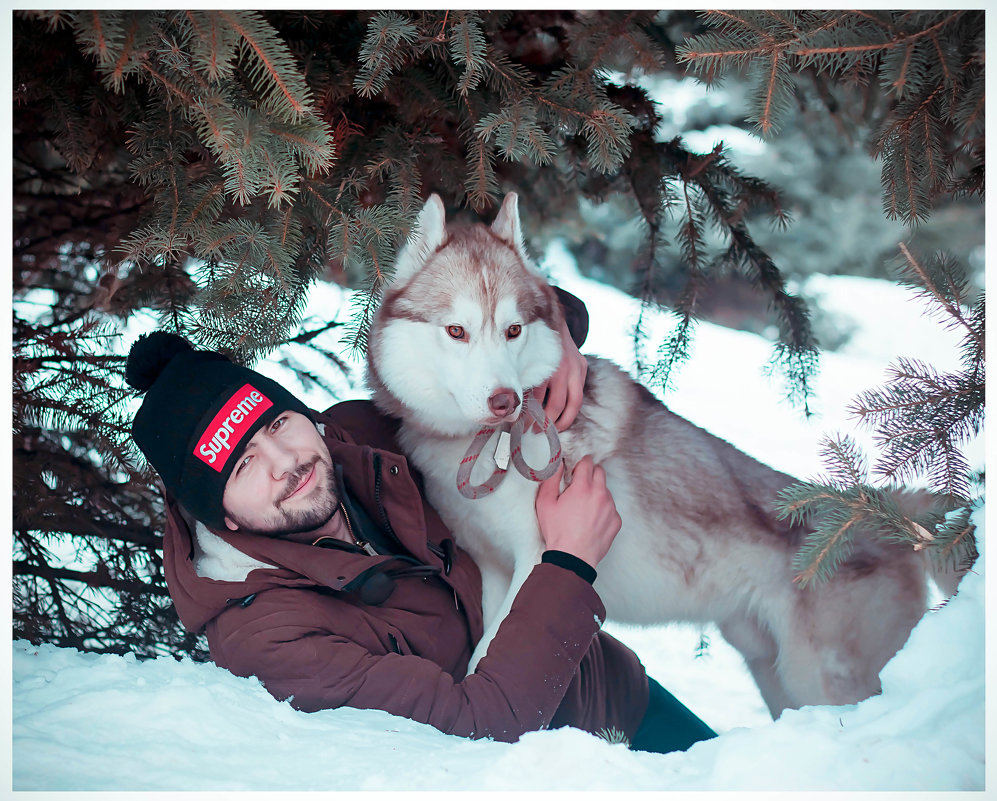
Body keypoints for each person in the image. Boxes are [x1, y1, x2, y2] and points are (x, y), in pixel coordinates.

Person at [125, 289, 716, 753]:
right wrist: (567, 562)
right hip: (544, 775)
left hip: (613, 692)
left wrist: (549, 323)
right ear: (220, 513)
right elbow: (474, 730)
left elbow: (470, 338)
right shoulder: (270, 638)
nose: (289, 464)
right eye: (243, 463)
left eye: (277, 425)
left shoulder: (362, 435)